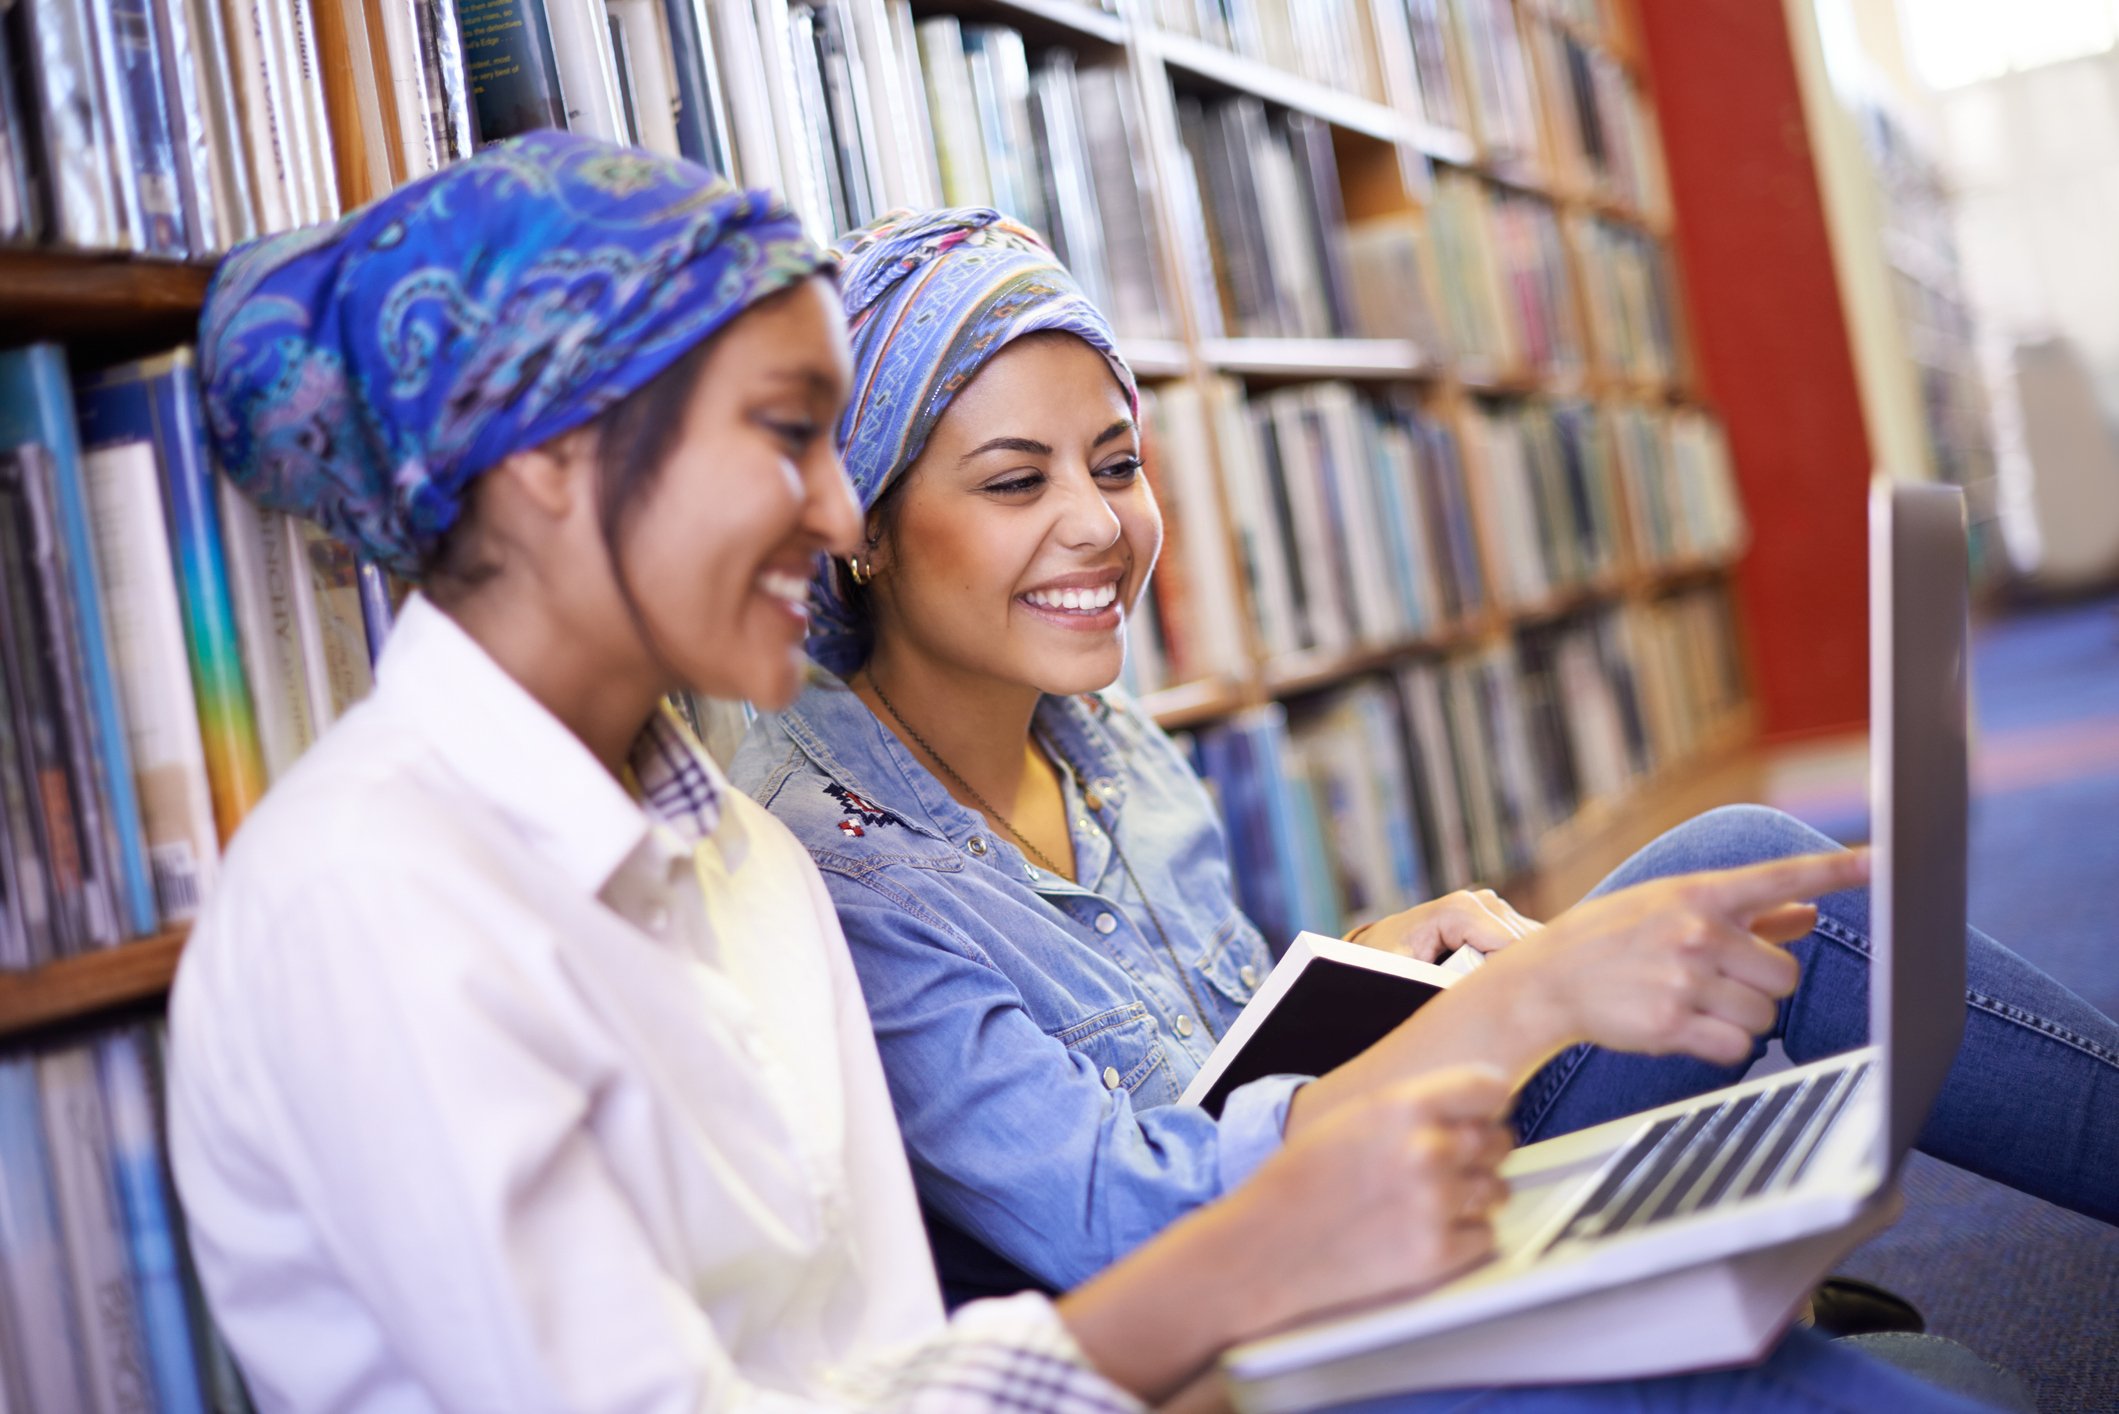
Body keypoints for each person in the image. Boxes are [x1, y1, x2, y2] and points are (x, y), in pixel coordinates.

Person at [166, 133, 1547, 1413]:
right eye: (784, 434)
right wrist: (1258, 1252)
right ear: (548, 459)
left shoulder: (746, 868)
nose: (837, 514)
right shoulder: (364, 900)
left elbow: (897, 1347)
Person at [730, 207, 2119, 1319]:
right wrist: (1516, 1008)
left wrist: (1374, 964)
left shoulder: (1104, 740)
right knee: (1738, 902)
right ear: (866, 523)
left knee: (1753, 889)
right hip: (1258, 1324)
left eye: (1115, 461)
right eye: (1016, 481)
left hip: (1372, 1212)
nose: (1099, 525)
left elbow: (1218, 1067)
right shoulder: (845, 874)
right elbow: (1133, 1224)